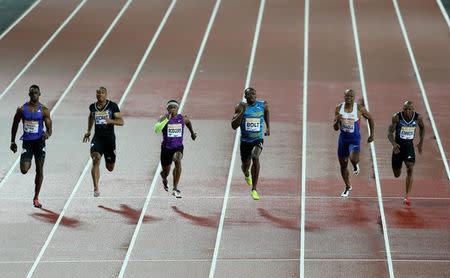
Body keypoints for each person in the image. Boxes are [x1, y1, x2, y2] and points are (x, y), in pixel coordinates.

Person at [10, 84, 52, 208]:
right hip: (27, 142)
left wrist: (47, 135)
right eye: (32, 93)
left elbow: (50, 129)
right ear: (29, 95)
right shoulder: (22, 109)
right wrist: (12, 141)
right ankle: (27, 160)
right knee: (24, 170)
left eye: (36, 93)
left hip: (39, 143)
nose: (34, 95)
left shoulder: (44, 110)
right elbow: (15, 124)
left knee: (39, 169)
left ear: (39, 94)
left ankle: (36, 198)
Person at [83, 87, 123, 197]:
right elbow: (91, 117)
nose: (99, 95)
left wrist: (111, 121)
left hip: (109, 140)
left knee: (110, 168)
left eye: (102, 93)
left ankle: (109, 160)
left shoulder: (112, 106)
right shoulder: (92, 107)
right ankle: (96, 188)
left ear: (106, 94)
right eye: (98, 93)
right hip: (98, 139)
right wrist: (88, 131)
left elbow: (121, 122)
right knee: (95, 159)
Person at [333, 89, 374, 197]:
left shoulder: (359, 109)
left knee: (353, 159)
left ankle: (355, 164)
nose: (349, 98)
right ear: (344, 96)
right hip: (343, 140)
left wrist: (372, 134)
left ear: (354, 97)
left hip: (354, 139)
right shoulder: (338, 108)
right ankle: (347, 186)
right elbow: (335, 128)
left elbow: (370, 118)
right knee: (343, 165)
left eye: (351, 96)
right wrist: (337, 120)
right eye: (347, 96)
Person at [231, 87, 270, 200]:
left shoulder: (263, 105)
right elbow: (233, 126)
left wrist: (268, 128)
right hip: (245, 141)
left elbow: (267, 113)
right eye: (249, 94)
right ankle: (247, 173)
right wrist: (242, 112)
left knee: (255, 156)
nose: (252, 96)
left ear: (256, 95)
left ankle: (254, 189)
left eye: (254, 94)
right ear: (245, 96)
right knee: (245, 165)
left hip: (257, 139)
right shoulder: (240, 106)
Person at [154, 100, 196, 198]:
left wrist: (192, 134)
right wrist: (166, 120)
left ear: (177, 109)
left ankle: (175, 188)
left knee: (177, 159)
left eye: (174, 107)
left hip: (178, 147)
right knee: (166, 172)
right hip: (166, 149)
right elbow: (156, 130)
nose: (172, 109)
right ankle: (164, 178)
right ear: (167, 109)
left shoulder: (182, 118)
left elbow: (188, 122)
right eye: (170, 107)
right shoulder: (162, 118)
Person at [387, 101, 424, 206]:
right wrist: (394, 144)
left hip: (409, 147)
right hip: (398, 148)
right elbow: (389, 133)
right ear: (403, 109)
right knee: (396, 174)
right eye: (405, 109)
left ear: (413, 109)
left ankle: (407, 196)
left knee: (410, 168)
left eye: (409, 109)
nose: (407, 111)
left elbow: (422, 128)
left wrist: (421, 142)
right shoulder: (397, 117)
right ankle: (398, 166)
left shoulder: (418, 118)